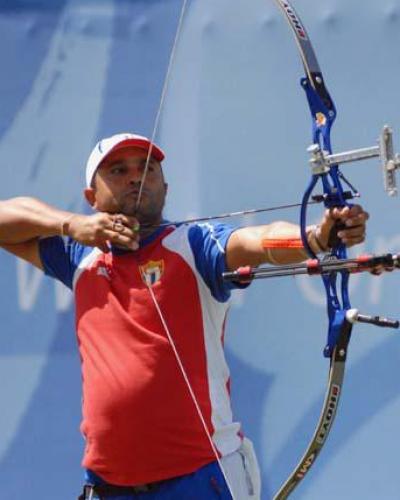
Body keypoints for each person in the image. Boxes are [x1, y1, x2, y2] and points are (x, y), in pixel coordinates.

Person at [0, 133, 368, 500]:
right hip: (108, 485)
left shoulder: (193, 245)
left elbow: (257, 240)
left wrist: (316, 237)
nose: (136, 177)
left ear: (165, 186)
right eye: (118, 170)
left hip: (199, 477)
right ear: (91, 199)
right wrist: (70, 224)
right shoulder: (78, 256)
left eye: (148, 168)